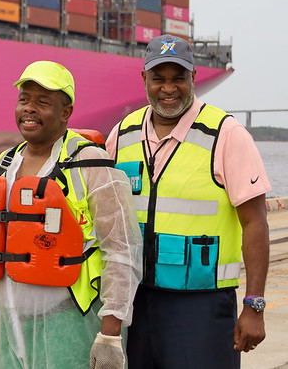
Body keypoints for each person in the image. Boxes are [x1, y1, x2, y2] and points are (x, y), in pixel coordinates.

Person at [105, 34, 270, 368]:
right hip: (134, 303)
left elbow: (255, 222)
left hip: (201, 308)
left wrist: (254, 304)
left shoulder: (226, 134)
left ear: (193, 77)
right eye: (159, 79)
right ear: (144, 79)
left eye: (178, 77)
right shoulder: (121, 134)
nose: (169, 88)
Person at [0, 60, 142, 368]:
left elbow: (123, 252)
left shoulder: (91, 164)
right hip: (11, 322)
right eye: (24, 99)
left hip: (70, 326)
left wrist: (110, 333)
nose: (29, 109)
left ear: (65, 113)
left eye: (43, 102)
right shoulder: (4, 164)